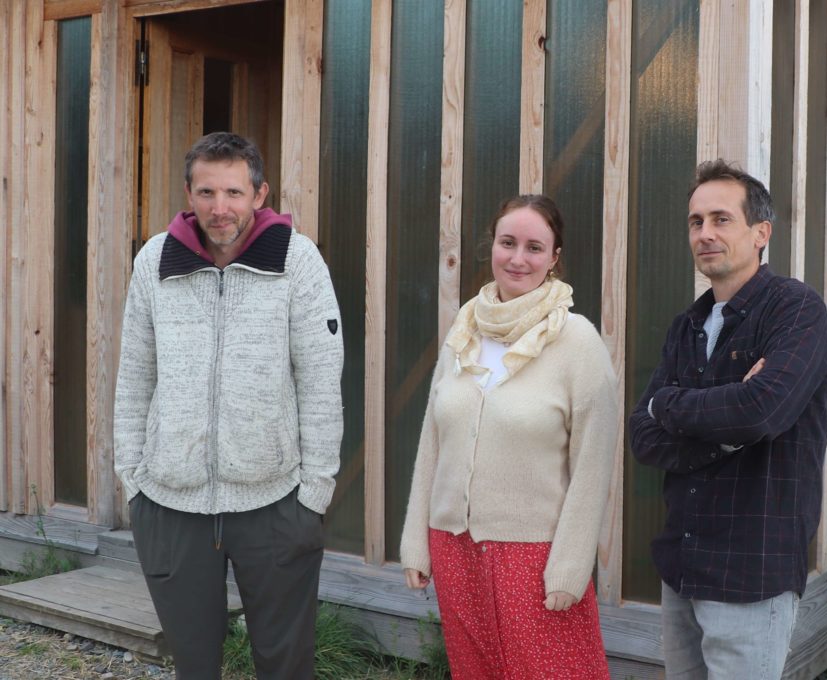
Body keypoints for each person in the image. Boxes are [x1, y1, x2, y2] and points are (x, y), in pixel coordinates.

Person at [113, 132, 344, 679]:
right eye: (208, 192)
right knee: (192, 664)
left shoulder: (297, 260)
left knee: (284, 663)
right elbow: (134, 374)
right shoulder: (155, 261)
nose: (221, 208)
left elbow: (320, 379)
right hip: (171, 503)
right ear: (189, 194)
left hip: (275, 502)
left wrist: (314, 491)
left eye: (234, 193)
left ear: (259, 194)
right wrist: (134, 479)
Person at [629, 159, 827, 680]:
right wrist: (721, 436)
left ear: (760, 232)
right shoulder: (688, 325)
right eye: (696, 222)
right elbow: (643, 435)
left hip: (751, 570)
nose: (705, 233)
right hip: (683, 562)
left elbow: (759, 412)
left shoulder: (796, 311)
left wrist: (670, 405)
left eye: (721, 219)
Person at [400, 195, 618, 679]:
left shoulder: (577, 342)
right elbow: (432, 442)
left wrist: (571, 565)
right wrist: (417, 541)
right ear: (491, 247)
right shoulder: (466, 331)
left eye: (534, 247)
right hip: (454, 547)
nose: (518, 258)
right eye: (508, 243)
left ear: (554, 257)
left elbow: (594, 464)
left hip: (533, 555)